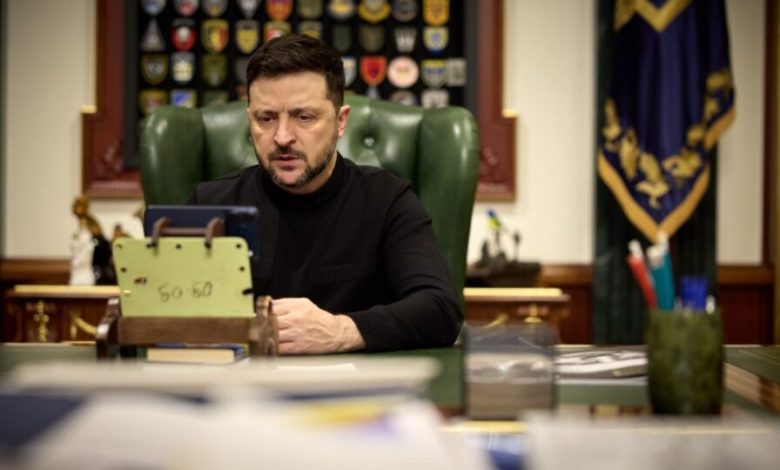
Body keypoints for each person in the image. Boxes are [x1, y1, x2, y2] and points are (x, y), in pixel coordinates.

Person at [189, 34, 462, 354]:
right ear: (250, 120)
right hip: (240, 382)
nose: (282, 137)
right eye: (267, 118)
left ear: (340, 121)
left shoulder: (387, 200)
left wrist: (342, 330)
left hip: (358, 384)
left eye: (304, 117)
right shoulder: (208, 204)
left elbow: (440, 309)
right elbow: (166, 313)